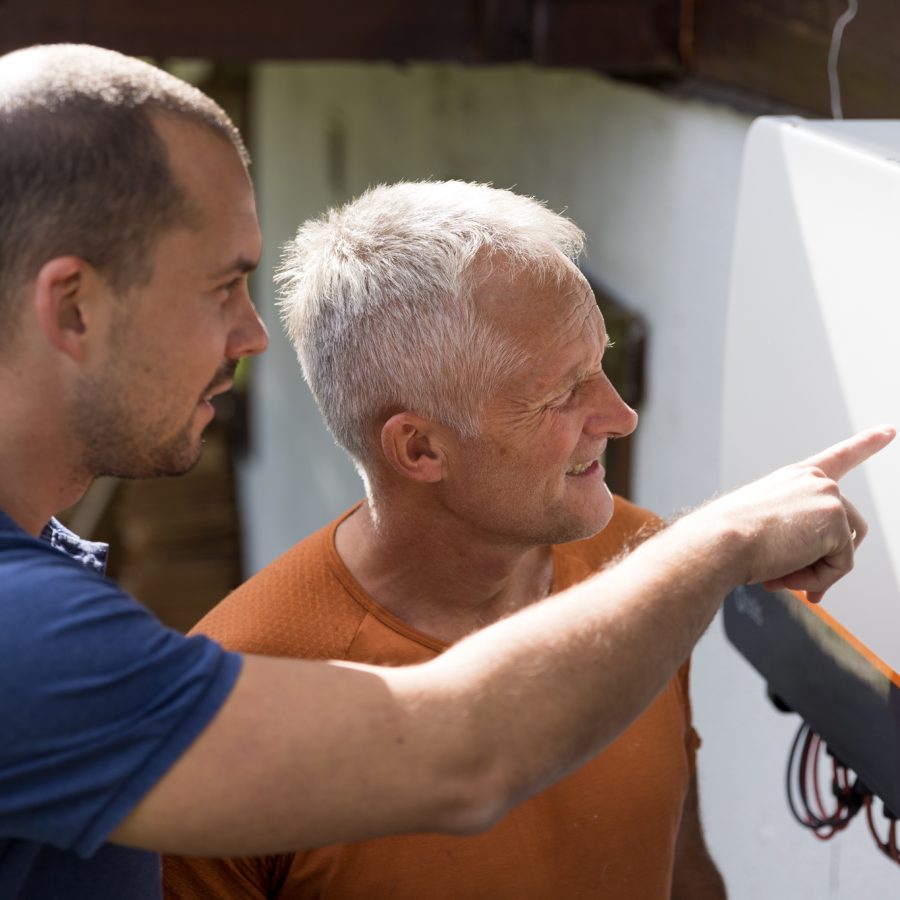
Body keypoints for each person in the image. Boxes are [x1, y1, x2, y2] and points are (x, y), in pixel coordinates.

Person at [0, 42, 890, 900]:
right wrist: (721, 540)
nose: (252, 335)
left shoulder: (630, 568)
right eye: (221, 285)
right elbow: (460, 752)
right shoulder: (49, 641)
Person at [163, 180, 723, 899]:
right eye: (562, 392)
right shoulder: (235, 700)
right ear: (420, 449)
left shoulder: (644, 564)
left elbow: (683, 863)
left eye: (602, 363)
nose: (619, 415)